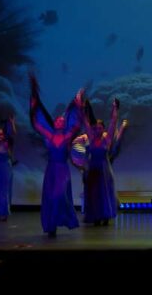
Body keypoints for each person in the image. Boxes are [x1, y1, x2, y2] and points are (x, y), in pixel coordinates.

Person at [29, 74, 84, 237]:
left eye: (62, 120)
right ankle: (51, 225)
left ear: (64, 123)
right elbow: (36, 124)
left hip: (62, 169)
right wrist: (33, 105)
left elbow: (78, 124)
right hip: (51, 169)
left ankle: (61, 219)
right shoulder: (49, 135)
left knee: (59, 195)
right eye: (57, 120)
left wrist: (79, 106)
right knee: (50, 197)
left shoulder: (68, 136)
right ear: (54, 123)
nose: (60, 121)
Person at [72, 97, 127, 226]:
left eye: (100, 128)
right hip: (93, 169)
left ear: (103, 129)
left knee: (104, 193)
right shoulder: (91, 138)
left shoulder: (107, 140)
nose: (97, 130)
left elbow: (113, 122)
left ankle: (105, 215)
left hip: (104, 169)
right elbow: (85, 122)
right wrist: (82, 108)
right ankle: (96, 216)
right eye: (95, 128)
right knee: (94, 193)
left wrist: (115, 108)